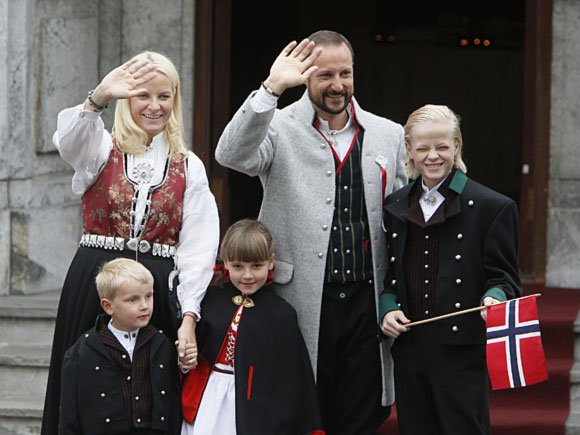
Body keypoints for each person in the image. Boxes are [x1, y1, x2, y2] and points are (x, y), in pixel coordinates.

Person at [215, 30, 407, 434]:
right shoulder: (277, 125)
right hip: (299, 297)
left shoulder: (388, 133)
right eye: (325, 75)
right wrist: (270, 89)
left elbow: (404, 214)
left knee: (362, 411)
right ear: (305, 78)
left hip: (366, 298)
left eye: (345, 73)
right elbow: (230, 154)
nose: (337, 85)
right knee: (302, 408)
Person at [42, 51, 219, 434]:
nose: (154, 106)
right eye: (143, 95)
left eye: (164, 96)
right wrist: (99, 97)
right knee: (87, 396)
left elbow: (199, 248)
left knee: (149, 400)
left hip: (154, 294)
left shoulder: (188, 165)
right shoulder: (101, 147)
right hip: (95, 285)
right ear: (126, 99)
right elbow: (67, 142)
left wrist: (189, 317)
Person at [379, 104, 522, 435]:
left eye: (442, 146)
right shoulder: (395, 205)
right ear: (409, 149)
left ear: (456, 146)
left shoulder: (492, 207)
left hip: (461, 351)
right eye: (423, 148)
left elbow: (505, 277)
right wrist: (387, 308)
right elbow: (390, 274)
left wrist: (494, 297)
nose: (433, 156)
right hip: (410, 349)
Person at [180, 219, 324, 435]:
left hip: (257, 408)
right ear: (225, 263)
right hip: (207, 399)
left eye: (256, 266)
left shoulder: (281, 314)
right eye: (238, 266)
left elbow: (294, 379)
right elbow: (193, 357)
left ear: (271, 262)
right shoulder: (210, 301)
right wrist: (185, 361)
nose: (247, 275)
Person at [59, 258, 182, 435]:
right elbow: (69, 416)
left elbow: (173, 405)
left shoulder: (162, 344)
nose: (144, 306)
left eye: (149, 296)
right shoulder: (82, 352)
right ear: (108, 306)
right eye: (133, 299)